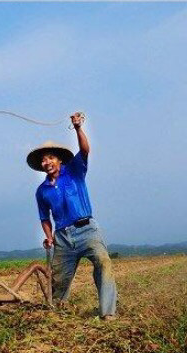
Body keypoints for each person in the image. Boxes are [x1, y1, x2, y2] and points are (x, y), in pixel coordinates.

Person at [27, 113, 117, 320]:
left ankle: (108, 313)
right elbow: (44, 217)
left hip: (87, 229)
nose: (46, 162)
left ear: (59, 160)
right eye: (43, 160)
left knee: (103, 262)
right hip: (62, 237)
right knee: (58, 281)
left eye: (50, 157)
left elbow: (85, 150)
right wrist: (49, 236)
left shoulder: (75, 171)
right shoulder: (42, 191)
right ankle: (57, 315)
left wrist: (77, 128)